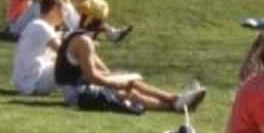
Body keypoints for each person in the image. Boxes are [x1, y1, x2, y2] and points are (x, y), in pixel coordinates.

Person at [53, 26, 205, 114]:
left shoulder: (80, 37)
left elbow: (98, 71)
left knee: (131, 81)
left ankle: (175, 99)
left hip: (82, 86)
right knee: (128, 93)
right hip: (76, 94)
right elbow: (92, 76)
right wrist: (115, 83)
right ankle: (174, 106)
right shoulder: (83, 41)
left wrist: (118, 77)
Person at [11, 0, 66, 96]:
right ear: (55, 9)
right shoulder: (41, 26)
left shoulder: (38, 25)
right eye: (63, 10)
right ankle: (79, 92)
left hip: (29, 80)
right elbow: (64, 52)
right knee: (73, 61)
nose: (65, 15)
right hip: (34, 81)